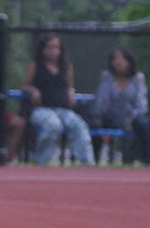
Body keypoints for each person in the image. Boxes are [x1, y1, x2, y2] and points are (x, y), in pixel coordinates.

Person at [18, 34, 94, 166]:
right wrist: (33, 90)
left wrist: (71, 93)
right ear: (43, 49)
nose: (53, 51)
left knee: (78, 125)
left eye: (56, 47)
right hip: (41, 109)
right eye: (50, 47)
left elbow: (70, 86)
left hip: (62, 109)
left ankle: (87, 163)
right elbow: (23, 86)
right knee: (53, 125)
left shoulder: (66, 67)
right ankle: (41, 161)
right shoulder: (35, 66)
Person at [93, 47, 150, 164]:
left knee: (143, 123)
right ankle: (92, 161)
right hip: (110, 116)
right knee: (95, 123)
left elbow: (141, 104)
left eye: (122, 58)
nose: (118, 62)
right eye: (115, 58)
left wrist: (133, 115)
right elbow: (101, 102)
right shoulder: (107, 77)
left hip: (130, 118)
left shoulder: (138, 78)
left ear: (129, 61)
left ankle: (146, 160)